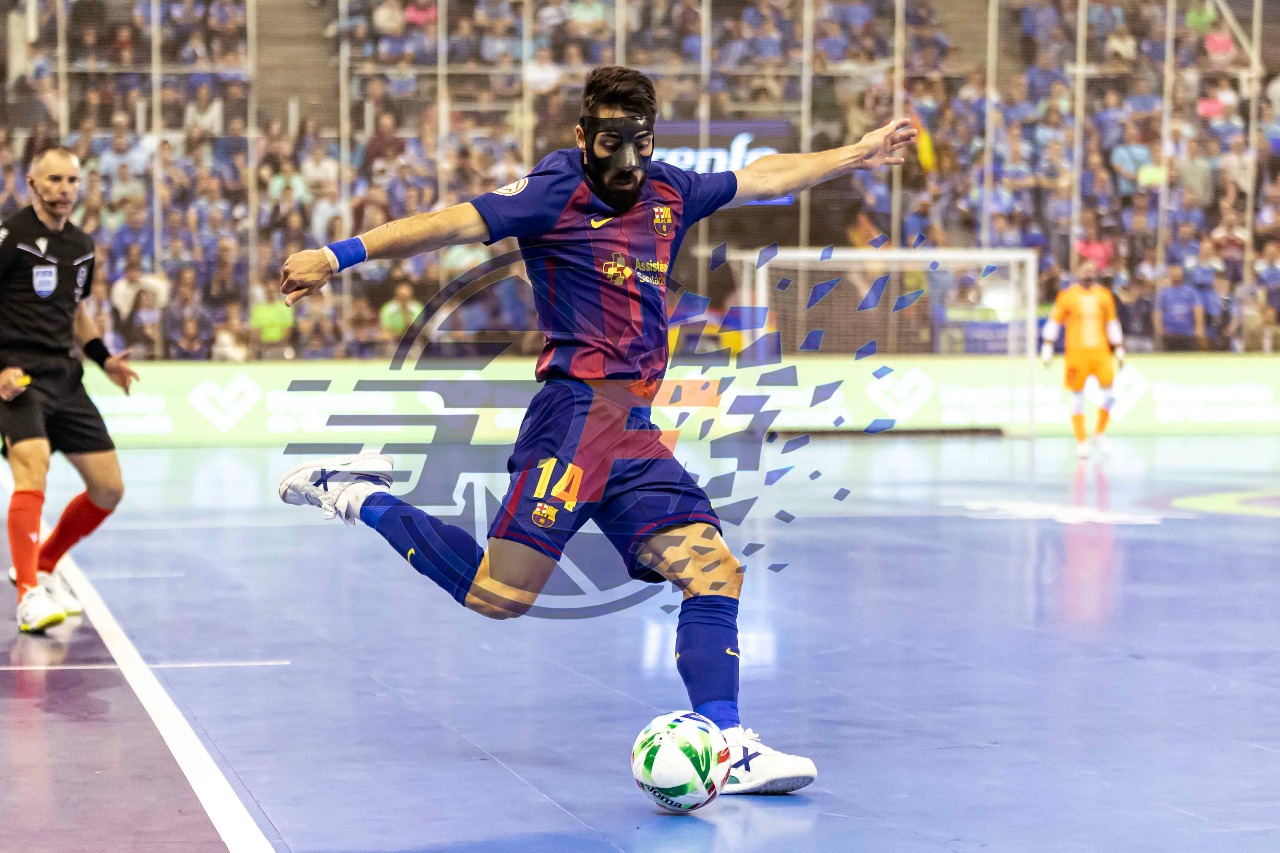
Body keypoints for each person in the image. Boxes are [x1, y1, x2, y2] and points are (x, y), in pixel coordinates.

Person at [278, 66, 916, 795]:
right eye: (611, 141)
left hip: (634, 428)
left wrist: (857, 152)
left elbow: (763, 176)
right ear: (584, 137)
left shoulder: (670, 189)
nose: (626, 158)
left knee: (713, 570)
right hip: (575, 416)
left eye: (639, 142)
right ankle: (356, 493)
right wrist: (336, 256)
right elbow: (449, 223)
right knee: (497, 595)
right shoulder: (553, 190)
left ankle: (728, 742)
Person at [0, 147, 138, 632]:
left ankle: (42, 563)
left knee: (108, 488)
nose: (64, 190)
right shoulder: (9, 237)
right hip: (17, 379)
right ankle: (28, 596)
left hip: (65, 376)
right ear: (32, 184)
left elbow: (76, 312)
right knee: (32, 469)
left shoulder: (80, 244)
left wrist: (104, 359)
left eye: (72, 181)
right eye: (54, 180)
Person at [1040, 261, 1125, 460]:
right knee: (1077, 397)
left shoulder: (1104, 296)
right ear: (1078, 272)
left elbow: (1112, 322)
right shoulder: (1067, 296)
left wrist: (1119, 347)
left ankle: (1099, 433)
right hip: (1077, 353)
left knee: (1110, 394)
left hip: (1101, 351)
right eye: (1085, 270)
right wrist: (1047, 345)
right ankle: (1081, 440)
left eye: (1092, 270)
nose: (1089, 273)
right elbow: (1055, 321)